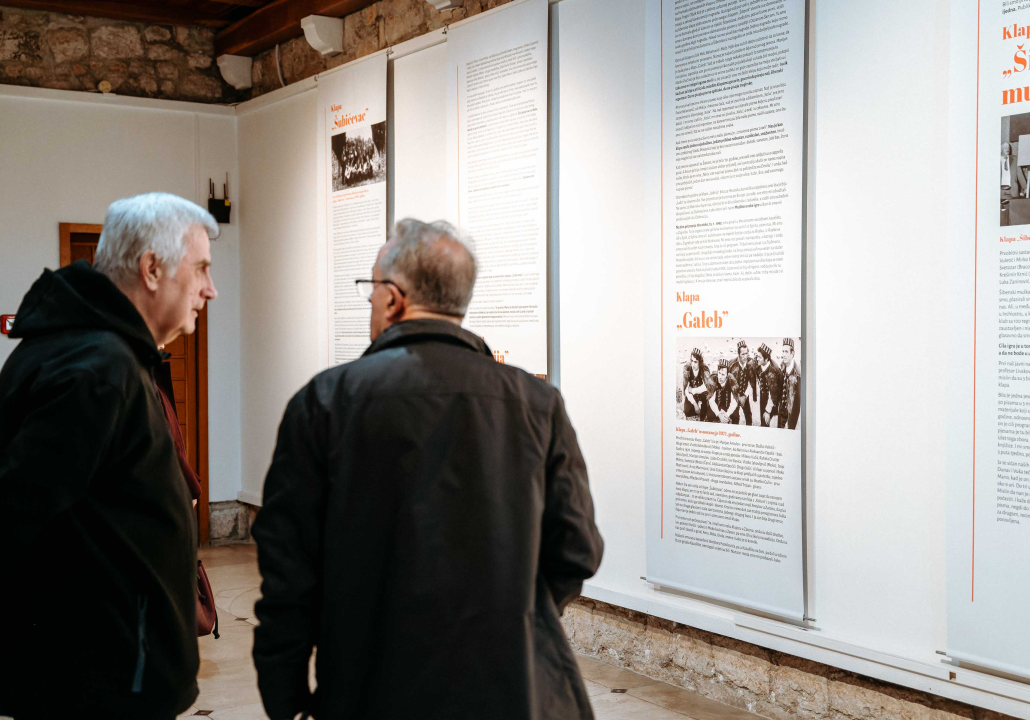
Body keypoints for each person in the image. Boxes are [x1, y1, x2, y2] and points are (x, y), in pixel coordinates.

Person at [252, 219, 604, 720]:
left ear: (393, 298)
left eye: (371, 290)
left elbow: (289, 568)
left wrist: (282, 688)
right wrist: (514, 612)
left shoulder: (326, 402)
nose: (370, 303)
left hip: (371, 686)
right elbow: (576, 548)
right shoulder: (536, 402)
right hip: (510, 690)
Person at [0, 192, 218, 719]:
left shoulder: (100, 353)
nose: (210, 289)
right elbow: (15, 517)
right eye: (202, 270)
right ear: (151, 268)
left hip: (109, 677)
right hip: (97, 687)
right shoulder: (97, 369)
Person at [728, 340, 755, 425]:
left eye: (746, 353)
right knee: (735, 417)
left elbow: (752, 382)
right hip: (734, 395)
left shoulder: (751, 363)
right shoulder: (731, 364)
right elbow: (728, 382)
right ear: (738, 354)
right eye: (743, 354)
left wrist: (745, 395)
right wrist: (735, 397)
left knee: (748, 415)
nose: (745, 356)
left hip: (745, 394)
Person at [756, 343, 782, 428]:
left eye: (759, 357)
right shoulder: (760, 364)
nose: (757, 359)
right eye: (757, 356)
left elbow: (773, 394)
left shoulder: (773, 371)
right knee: (763, 423)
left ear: (766, 359)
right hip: (763, 396)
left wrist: (768, 411)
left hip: (773, 400)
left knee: (767, 422)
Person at [778, 337, 801, 430]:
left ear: (792, 354)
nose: (783, 355)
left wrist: (791, 425)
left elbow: (797, 403)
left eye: (786, 352)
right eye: (782, 351)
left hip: (791, 412)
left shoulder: (797, 374)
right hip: (782, 410)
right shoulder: (782, 366)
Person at [682, 347, 711, 421]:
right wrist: (695, 404)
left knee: (706, 411)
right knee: (687, 411)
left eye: (695, 362)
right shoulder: (687, 368)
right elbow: (686, 389)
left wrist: (693, 390)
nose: (693, 364)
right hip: (691, 395)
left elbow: (707, 387)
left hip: (702, 394)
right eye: (692, 361)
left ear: (700, 362)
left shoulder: (704, 369)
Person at [707, 358, 733, 423]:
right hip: (716, 404)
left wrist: (727, 415)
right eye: (719, 373)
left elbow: (734, 402)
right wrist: (719, 414)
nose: (720, 377)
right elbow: (711, 400)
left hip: (727, 405)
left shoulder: (732, 382)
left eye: (723, 374)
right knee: (709, 415)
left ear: (727, 375)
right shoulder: (713, 381)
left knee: (735, 416)